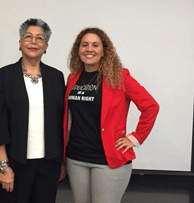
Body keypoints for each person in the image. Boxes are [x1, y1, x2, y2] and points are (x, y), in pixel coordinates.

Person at [63, 27, 159, 203]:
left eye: (95, 45)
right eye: (84, 45)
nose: (89, 49)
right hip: (75, 158)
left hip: (108, 160)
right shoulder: (73, 78)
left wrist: (135, 138)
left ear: (104, 51)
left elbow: (151, 106)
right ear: (78, 50)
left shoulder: (119, 77)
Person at [0, 18, 65, 203]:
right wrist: (3, 167)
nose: (33, 42)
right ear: (20, 42)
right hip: (15, 163)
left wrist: (62, 162)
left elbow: (60, 121)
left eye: (40, 38)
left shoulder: (56, 77)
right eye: (28, 37)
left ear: (46, 45)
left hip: (49, 165)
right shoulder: (5, 75)